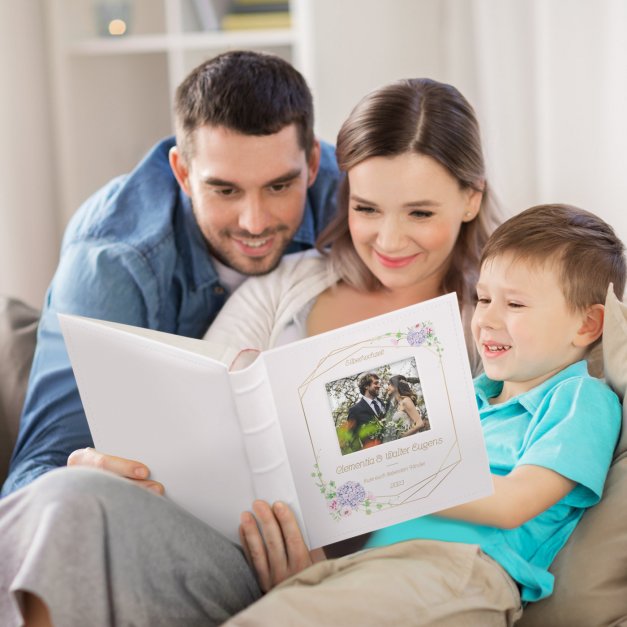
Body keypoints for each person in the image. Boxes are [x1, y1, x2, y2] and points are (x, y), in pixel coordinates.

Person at [0, 77, 500, 626]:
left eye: (420, 214)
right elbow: (192, 401)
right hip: (214, 546)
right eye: (367, 209)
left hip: (354, 582)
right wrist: (112, 465)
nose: (389, 239)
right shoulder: (292, 282)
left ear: (470, 197)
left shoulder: (490, 324)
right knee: (70, 498)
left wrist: (319, 579)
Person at [223, 203, 624, 626]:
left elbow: (513, 504)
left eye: (516, 305)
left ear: (586, 325)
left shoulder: (581, 398)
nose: (486, 318)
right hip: (373, 566)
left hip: (460, 570)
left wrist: (391, 469)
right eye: (483, 298)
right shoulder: (463, 394)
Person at [1, 50, 340, 497]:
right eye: (224, 190)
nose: (254, 222)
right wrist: (79, 483)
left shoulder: (356, 201)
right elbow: (30, 479)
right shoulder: (112, 263)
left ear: (312, 163)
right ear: (182, 172)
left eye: (279, 186)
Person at [346, 372, 385, 447]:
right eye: (376, 383)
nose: (379, 386)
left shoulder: (385, 404)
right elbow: (351, 438)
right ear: (366, 386)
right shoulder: (354, 410)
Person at [382, 374, 425, 441]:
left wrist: (403, 436)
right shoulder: (397, 405)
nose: (387, 388)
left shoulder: (406, 401)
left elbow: (420, 424)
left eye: (389, 384)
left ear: (396, 386)